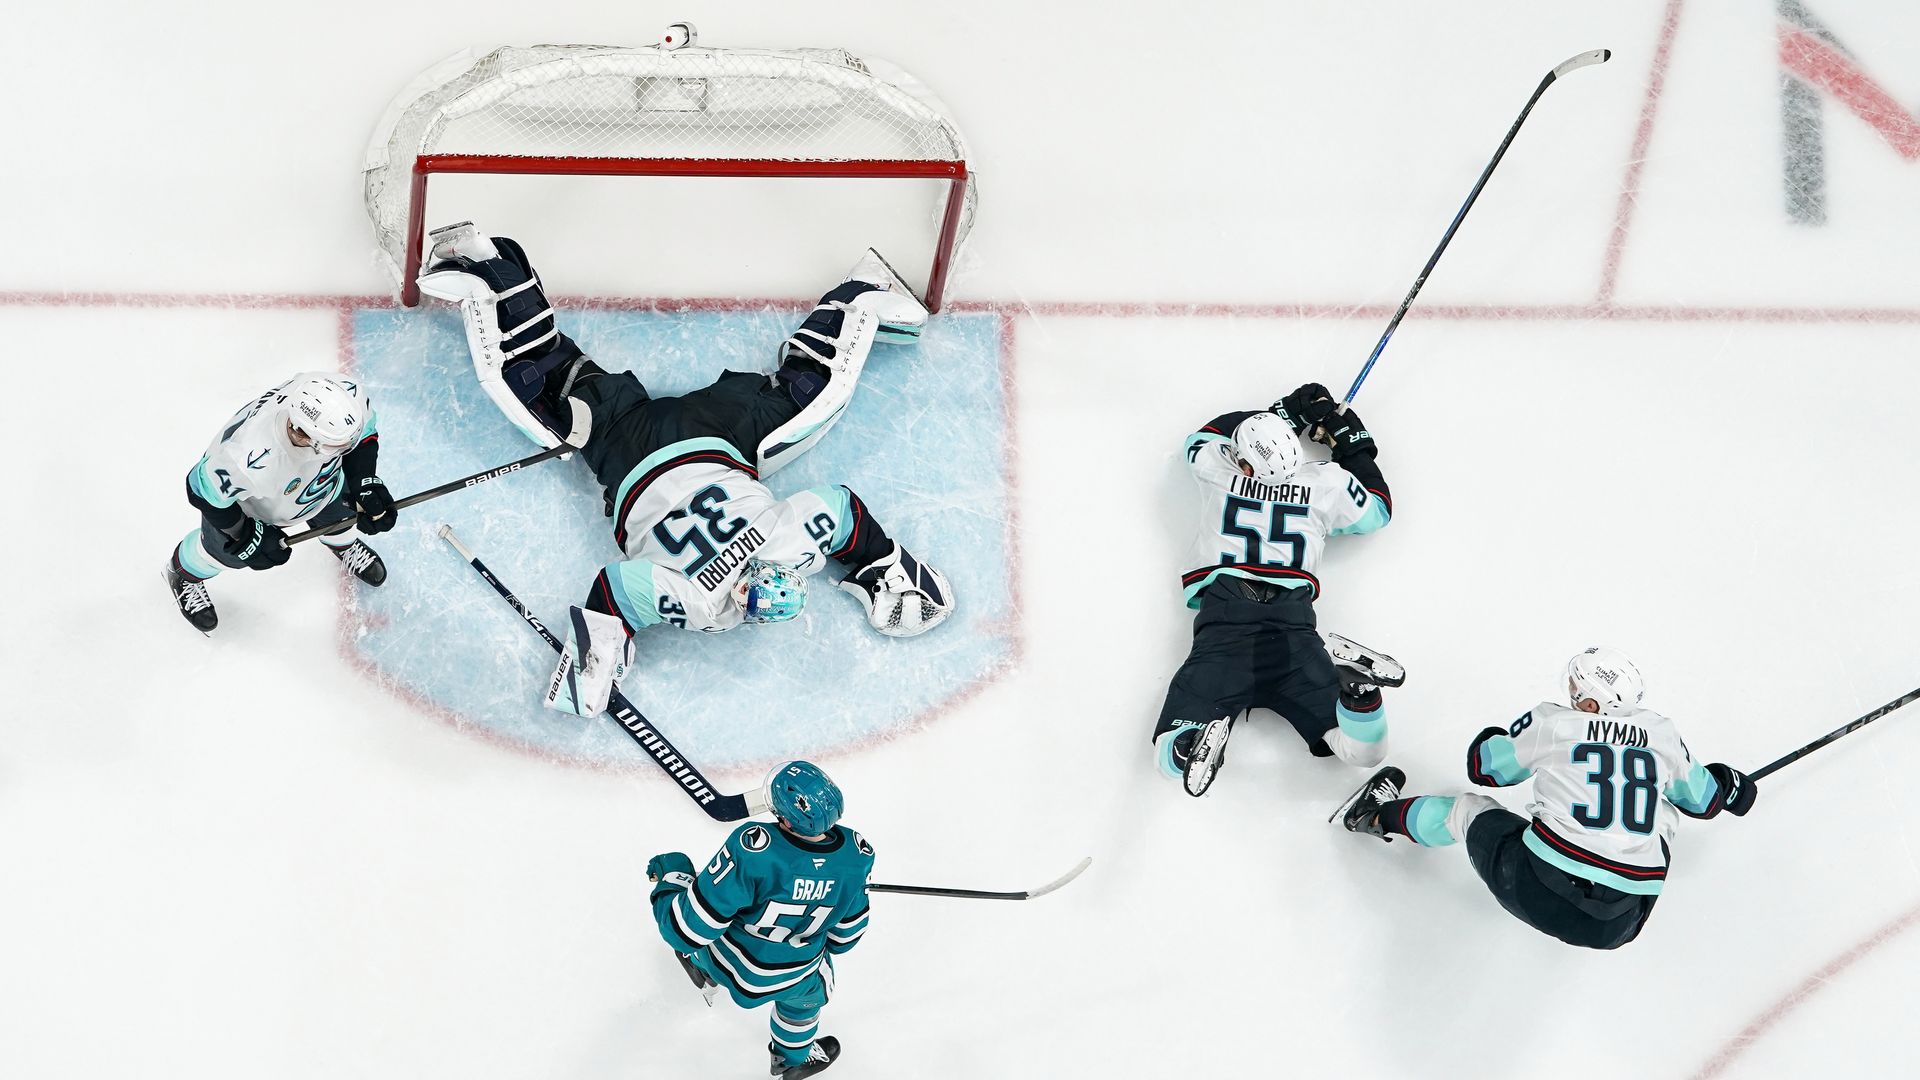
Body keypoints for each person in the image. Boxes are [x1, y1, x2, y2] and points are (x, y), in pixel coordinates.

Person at [414, 224, 955, 717]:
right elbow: (618, 584)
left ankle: (861, 292)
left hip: (713, 431)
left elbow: (841, 508)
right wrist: (600, 651)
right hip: (630, 451)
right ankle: (489, 278)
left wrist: (881, 562)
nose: (747, 600)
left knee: (803, 394)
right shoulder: (703, 606)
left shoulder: (789, 549)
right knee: (545, 392)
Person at [1336, 647, 1759, 950]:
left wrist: (1497, 738)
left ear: (1592, 702)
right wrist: (1728, 785)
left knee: (1470, 810)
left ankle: (1373, 817)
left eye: (1577, 687)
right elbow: (1705, 801)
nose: (1570, 690)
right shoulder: (1661, 734)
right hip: (1622, 923)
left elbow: (1484, 768)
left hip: (1536, 886)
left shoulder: (1555, 722)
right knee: (1665, 813)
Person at [1152, 383, 1401, 796]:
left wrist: (1290, 411)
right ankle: (1360, 694)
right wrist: (1351, 441)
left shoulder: (1219, 470)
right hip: (1294, 632)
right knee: (1361, 753)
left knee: (1168, 759)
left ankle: (1190, 745)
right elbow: (1378, 508)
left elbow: (1206, 437)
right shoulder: (1325, 484)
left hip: (1226, 627)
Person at [648, 761, 873, 1079]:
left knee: (705, 930)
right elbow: (844, 940)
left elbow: (686, 930)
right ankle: (791, 1062)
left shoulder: (754, 848)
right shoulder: (856, 857)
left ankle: (702, 968)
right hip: (793, 976)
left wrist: (671, 878)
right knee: (804, 1004)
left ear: (785, 817)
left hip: (724, 958)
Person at [164, 372, 396, 633]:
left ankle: (342, 545)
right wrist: (244, 534)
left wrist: (364, 481)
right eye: (336, 445)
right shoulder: (249, 458)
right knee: (222, 554)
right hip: (249, 506)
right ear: (303, 434)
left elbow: (362, 438)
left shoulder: (345, 397)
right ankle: (183, 573)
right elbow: (200, 489)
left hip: (320, 485)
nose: (346, 449)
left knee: (341, 517)